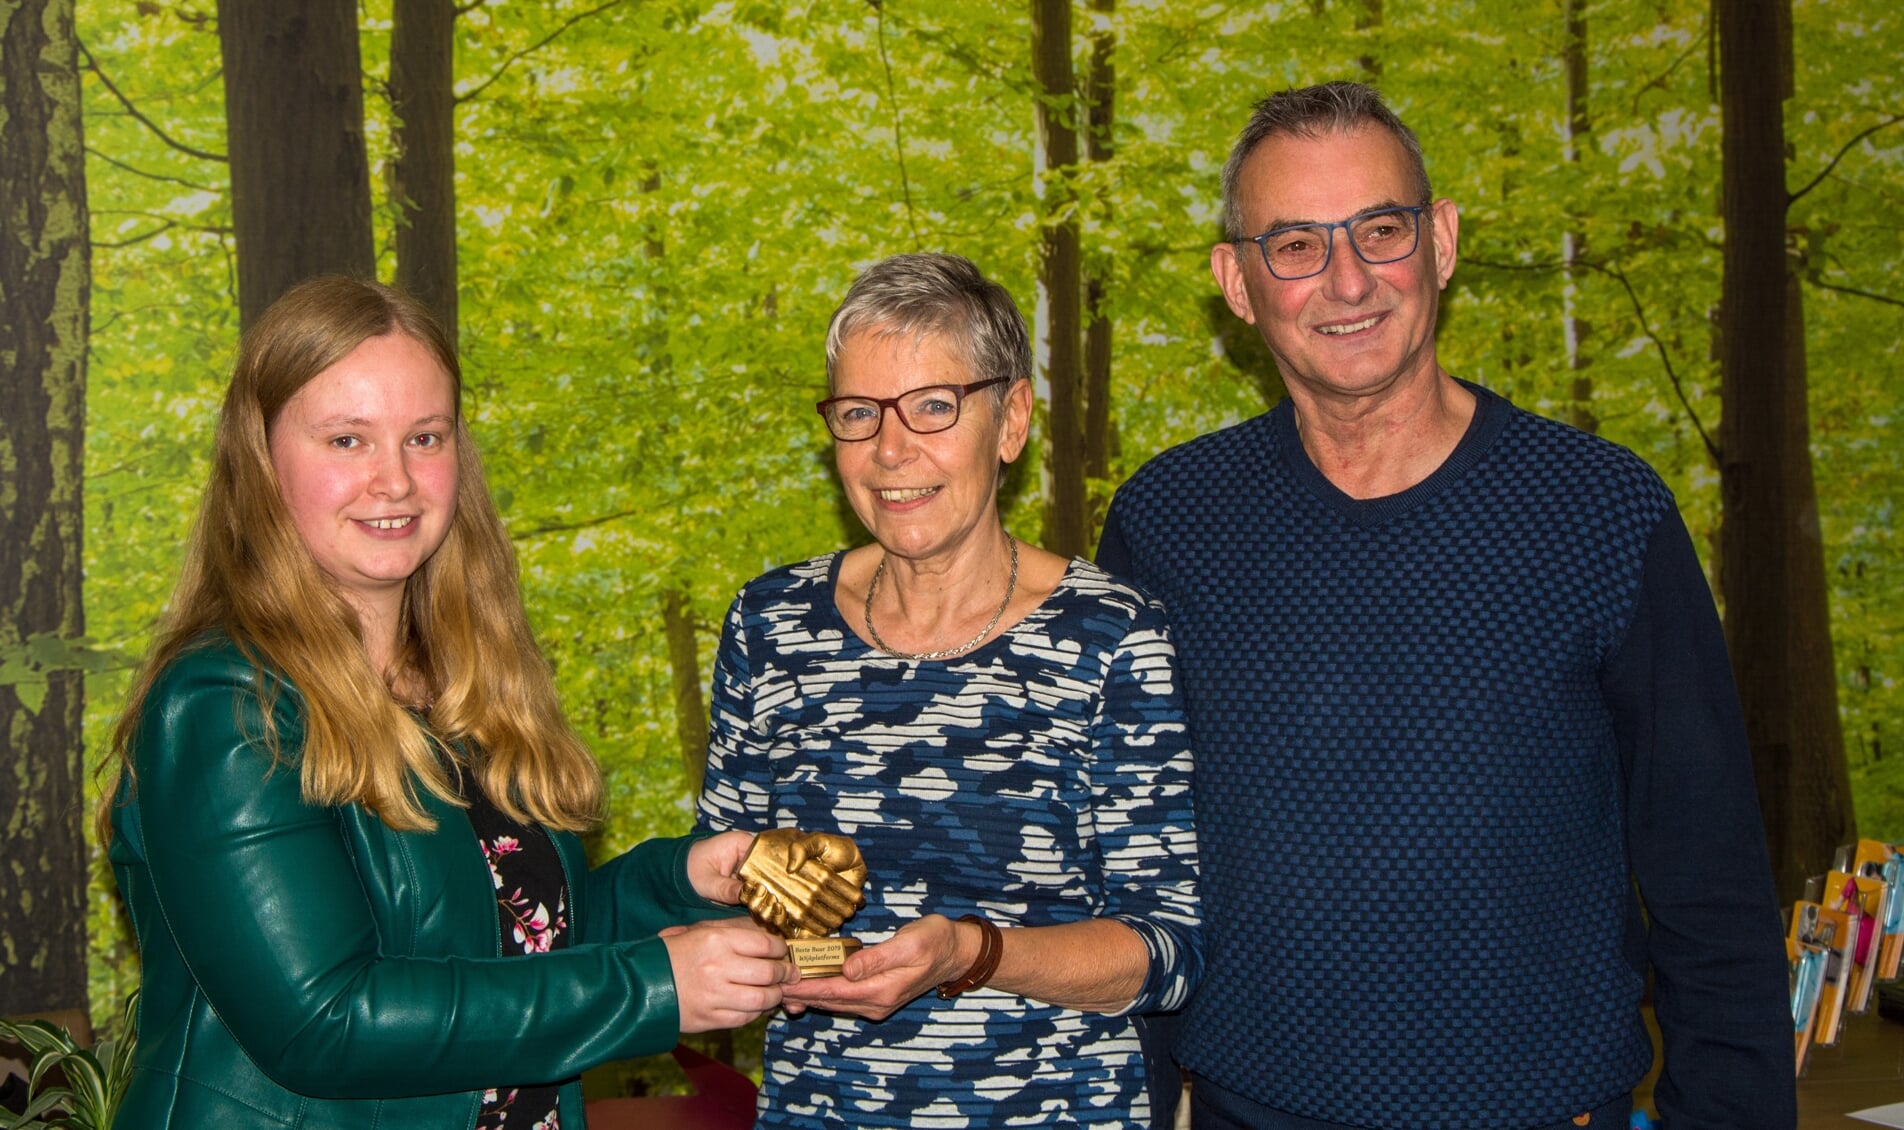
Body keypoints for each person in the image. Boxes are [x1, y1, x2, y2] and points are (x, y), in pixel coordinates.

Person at [1096, 82, 1794, 1130]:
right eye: (1293, 245)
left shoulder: (1603, 512)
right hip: (1249, 1110)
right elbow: (1129, 867)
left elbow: (1714, 889)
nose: (1347, 279)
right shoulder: (1167, 523)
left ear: (1443, 241)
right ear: (1236, 283)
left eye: (1380, 229)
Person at [98, 276, 794, 1129]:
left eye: (423, 437)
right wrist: (654, 986)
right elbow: (325, 1021)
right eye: (347, 440)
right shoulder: (223, 703)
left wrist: (678, 883)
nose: (393, 480)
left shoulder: (464, 687)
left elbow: (511, 946)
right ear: (262, 460)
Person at [695, 252, 1203, 1128]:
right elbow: (719, 878)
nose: (892, 450)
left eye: (934, 407)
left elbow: (1165, 953)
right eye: (859, 414)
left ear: (1010, 422)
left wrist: (970, 953)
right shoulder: (770, 624)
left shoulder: (1111, 636)